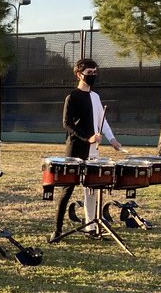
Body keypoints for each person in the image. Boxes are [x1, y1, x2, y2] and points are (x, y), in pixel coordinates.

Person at [50, 58, 121, 241]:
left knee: (92, 188)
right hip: (75, 150)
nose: (92, 76)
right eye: (89, 73)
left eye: (94, 73)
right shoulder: (72, 97)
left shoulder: (95, 97)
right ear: (79, 74)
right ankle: (57, 230)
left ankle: (91, 226)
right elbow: (67, 123)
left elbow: (101, 121)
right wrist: (87, 137)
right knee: (68, 189)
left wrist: (112, 138)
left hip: (93, 152)